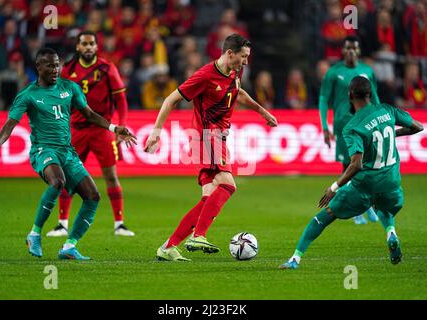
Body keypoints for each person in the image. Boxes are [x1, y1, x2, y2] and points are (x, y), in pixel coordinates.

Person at [0, 48, 136, 260]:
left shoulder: (70, 87)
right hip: (43, 150)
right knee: (58, 182)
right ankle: (34, 233)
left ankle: (69, 246)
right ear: (38, 67)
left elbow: (89, 114)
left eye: (57, 65)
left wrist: (114, 128)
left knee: (93, 197)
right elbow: (10, 123)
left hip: (67, 152)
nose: (55, 70)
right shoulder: (28, 95)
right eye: (50, 66)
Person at [144, 33, 277, 261]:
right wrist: (155, 133)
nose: (245, 61)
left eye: (247, 57)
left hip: (217, 138)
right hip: (206, 137)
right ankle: (199, 235)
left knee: (208, 198)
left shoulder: (235, 71)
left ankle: (168, 247)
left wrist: (262, 111)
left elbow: (238, 92)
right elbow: (170, 100)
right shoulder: (205, 76)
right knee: (228, 185)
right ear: (229, 53)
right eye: (243, 56)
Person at [279, 76, 424, 269]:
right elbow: (418, 126)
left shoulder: (353, 127)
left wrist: (334, 187)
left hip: (365, 184)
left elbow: (356, 164)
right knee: (382, 204)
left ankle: (295, 259)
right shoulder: (387, 110)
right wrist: (394, 132)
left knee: (325, 216)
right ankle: (391, 233)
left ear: (349, 96)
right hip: (392, 182)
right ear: (370, 93)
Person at [46, 31, 134, 237]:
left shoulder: (107, 68)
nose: (88, 47)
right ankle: (62, 224)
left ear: (96, 47)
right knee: (67, 177)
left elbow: (121, 101)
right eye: (84, 44)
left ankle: (119, 224)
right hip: (76, 131)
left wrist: (122, 126)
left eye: (91, 44)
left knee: (111, 176)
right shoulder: (67, 70)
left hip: (102, 130)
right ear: (78, 47)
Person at [319, 35, 380, 225]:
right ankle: (357, 210)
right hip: (344, 125)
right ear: (343, 51)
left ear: (359, 51)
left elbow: (375, 97)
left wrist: (379, 119)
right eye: (348, 48)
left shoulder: (367, 71)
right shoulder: (333, 72)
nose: (351, 52)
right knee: (350, 166)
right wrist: (324, 126)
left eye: (355, 48)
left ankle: (366, 205)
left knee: (366, 164)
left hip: (366, 124)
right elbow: (323, 99)